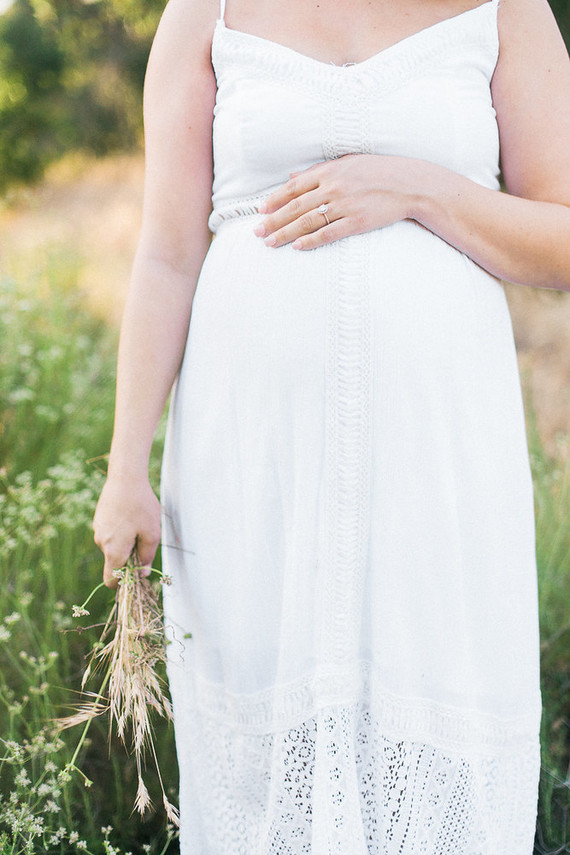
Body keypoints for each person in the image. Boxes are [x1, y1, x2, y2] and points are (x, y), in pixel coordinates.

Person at [93, 0, 570, 850]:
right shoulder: (204, 12)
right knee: (265, 716)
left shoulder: (509, 11)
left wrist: (424, 188)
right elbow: (166, 251)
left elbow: (563, 238)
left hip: (443, 451)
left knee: (432, 693)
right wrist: (126, 464)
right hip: (251, 454)